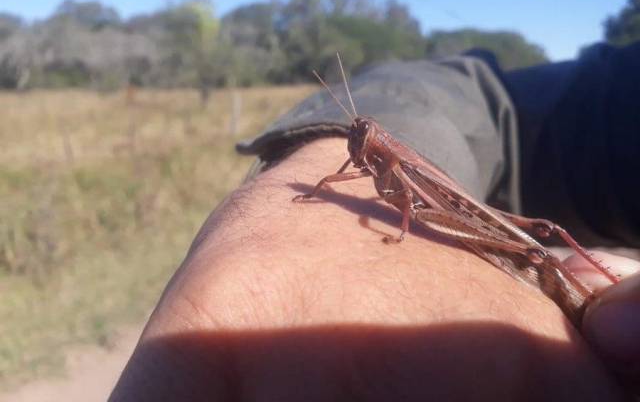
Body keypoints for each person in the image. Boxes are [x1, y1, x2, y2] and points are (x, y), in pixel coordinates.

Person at [110, 42, 640, 401]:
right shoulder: (613, 101)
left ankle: (600, 284)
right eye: (357, 133)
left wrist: (402, 231)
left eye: (362, 134)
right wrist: (305, 178)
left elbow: (411, 206)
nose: (356, 141)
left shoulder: (397, 168)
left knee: (536, 241)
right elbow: (493, 104)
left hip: (460, 215)